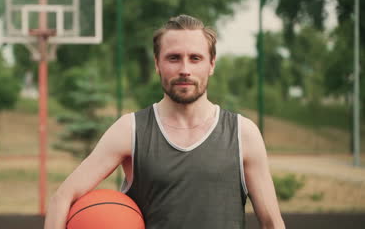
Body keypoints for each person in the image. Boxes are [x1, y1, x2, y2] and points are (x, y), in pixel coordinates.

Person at [44, 15, 285, 229]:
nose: (184, 69)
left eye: (195, 58)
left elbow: (272, 222)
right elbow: (62, 198)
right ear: (157, 64)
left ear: (211, 64)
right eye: (173, 58)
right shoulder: (131, 130)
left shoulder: (243, 133)